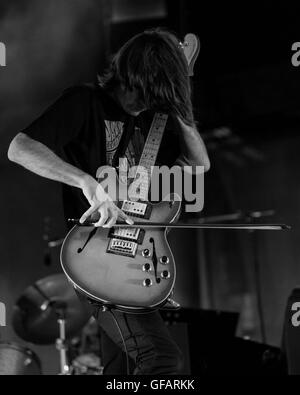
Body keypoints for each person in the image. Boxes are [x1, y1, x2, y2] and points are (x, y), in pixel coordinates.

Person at [8, 28, 210, 375]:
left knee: (123, 369)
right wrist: (85, 181)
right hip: (98, 257)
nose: (145, 104)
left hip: (136, 260)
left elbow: (198, 165)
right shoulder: (84, 101)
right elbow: (19, 148)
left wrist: (181, 108)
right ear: (135, 76)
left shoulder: (154, 117)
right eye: (146, 93)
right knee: (160, 358)